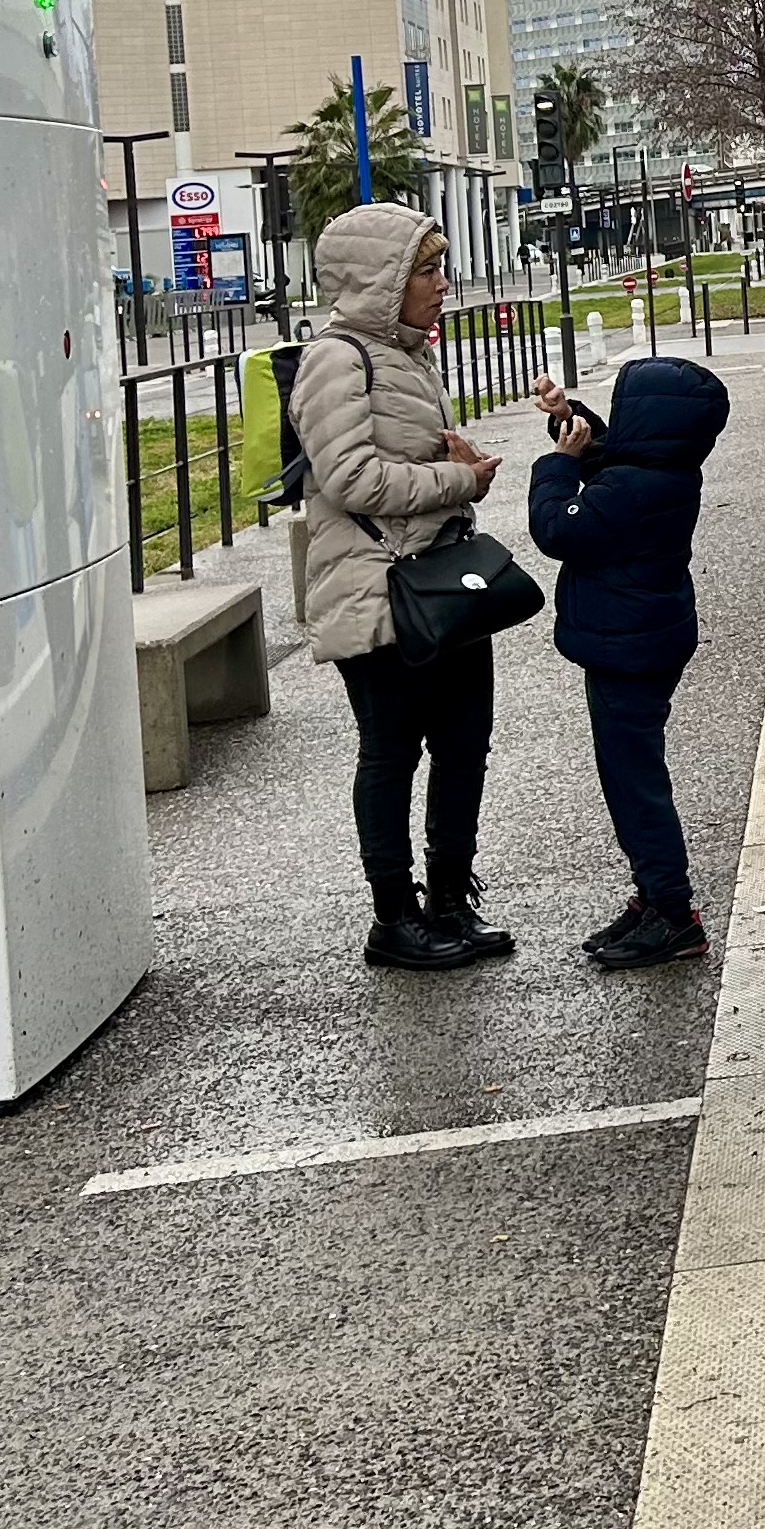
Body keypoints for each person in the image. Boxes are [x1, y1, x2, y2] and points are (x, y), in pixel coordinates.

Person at [293, 204, 512, 971]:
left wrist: (460, 468)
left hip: (440, 583)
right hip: (377, 590)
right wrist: (456, 475)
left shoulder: (410, 353)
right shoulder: (337, 358)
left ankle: (451, 898)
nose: (442, 284)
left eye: (440, 267)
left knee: (464, 745)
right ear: (381, 281)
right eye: (427, 270)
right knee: (391, 752)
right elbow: (347, 476)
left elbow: (407, 462)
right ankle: (395, 916)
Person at [527, 355, 733, 969]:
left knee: (634, 782)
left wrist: (557, 467)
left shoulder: (631, 490)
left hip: (628, 649)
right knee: (632, 773)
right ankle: (652, 897)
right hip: (646, 641)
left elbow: (556, 529)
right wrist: (569, 420)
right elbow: (615, 456)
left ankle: (672, 913)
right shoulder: (665, 469)